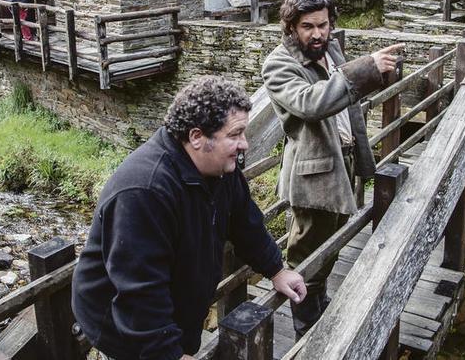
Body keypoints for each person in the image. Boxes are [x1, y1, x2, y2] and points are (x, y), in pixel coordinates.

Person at [72, 76, 306, 360]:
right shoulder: (144, 192)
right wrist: (169, 354)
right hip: (123, 327)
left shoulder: (220, 168)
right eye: (235, 134)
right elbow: (140, 291)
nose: (244, 144)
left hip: (174, 309)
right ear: (197, 137)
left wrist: (276, 269)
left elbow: (245, 221)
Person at [261, 0, 404, 338]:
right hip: (314, 176)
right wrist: (365, 68)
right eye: (308, 26)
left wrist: (379, 71)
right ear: (291, 26)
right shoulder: (278, 64)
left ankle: (319, 304)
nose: (318, 33)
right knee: (305, 257)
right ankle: (306, 330)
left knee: (333, 245)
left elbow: (346, 96)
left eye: (323, 24)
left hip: (345, 164)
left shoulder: (331, 48)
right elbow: (312, 103)